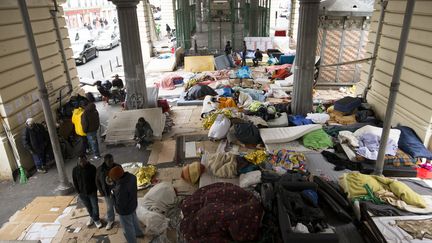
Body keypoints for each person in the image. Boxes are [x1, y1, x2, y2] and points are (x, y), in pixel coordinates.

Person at [109, 166, 144, 243]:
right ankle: (139, 233)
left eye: (113, 178)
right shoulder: (132, 177)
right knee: (134, 219)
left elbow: (120, 204)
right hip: (133, 203)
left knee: (127, 227)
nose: (112, 180)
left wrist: (113, 195)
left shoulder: (120, 189)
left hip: (125, 211)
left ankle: (132, 241)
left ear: (116, 178)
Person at [72, 156, 102, 229]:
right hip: (82, 193)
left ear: (86, 160)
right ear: (78, 162)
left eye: (83, 161)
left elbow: (96, 180)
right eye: (80, 162)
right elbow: (75, 181)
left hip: (92, 191)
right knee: (88, 207)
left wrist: (96, 189)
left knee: (95, 206)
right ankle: (92, 217)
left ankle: (97, 220)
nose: (82, 163)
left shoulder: (92, 168)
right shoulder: (75, 170)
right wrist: (78, 191)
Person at [96, 154, 120, 230]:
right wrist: (101, 191)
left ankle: (122, 218)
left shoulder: (117, 167)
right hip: (107, 192)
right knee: (109, 207)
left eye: (112, 160)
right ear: (105, 161)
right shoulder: (100, 169)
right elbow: (97, 181)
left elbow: (122, 177)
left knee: (119, 204)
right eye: (109, 161)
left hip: (117, 191)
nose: (111, 162)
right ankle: (110, 220)